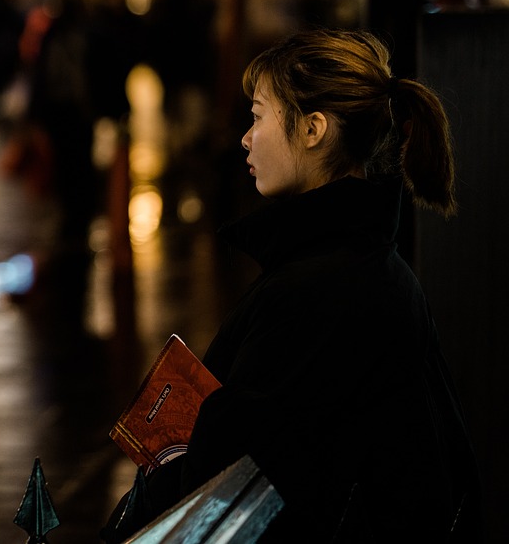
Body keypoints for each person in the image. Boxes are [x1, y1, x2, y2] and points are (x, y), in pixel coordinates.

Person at [103, 29, 481, 542]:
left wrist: (160, 480)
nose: (245, 137)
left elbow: (233, 486)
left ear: (312, 129)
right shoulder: (364, 262)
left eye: (258, 116)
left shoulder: (315, 292)